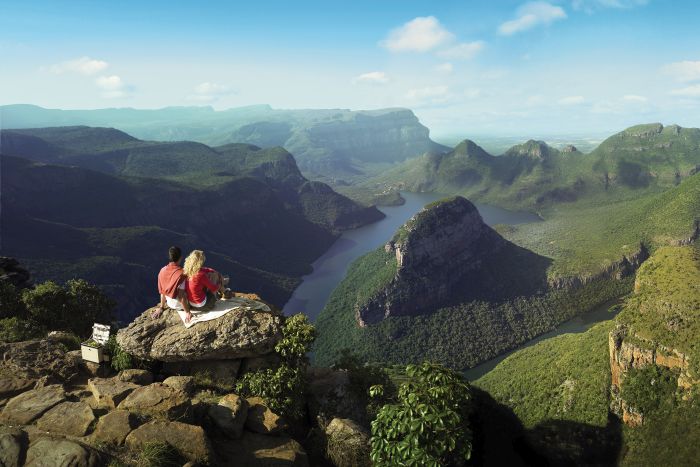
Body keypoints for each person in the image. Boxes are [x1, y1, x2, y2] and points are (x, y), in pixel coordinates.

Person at [154, 246, 192, 321]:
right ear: (180, 258)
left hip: (169, 303)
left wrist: (161, 307)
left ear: (169, 257)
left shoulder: (162, 270)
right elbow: (181, 296)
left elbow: (162, 291)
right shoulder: (182, 274)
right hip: (179, 305)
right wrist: (187, 312)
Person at [183, 250, 226, 315]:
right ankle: (224, 290)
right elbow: (213, 288)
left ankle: (223, 287)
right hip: (203, 306)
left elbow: (202, 269)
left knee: (211, 275)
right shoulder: (201, 275)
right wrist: (219, 285)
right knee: (214, 278)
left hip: (191, 304)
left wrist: (210, 270)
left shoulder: (186, 271)